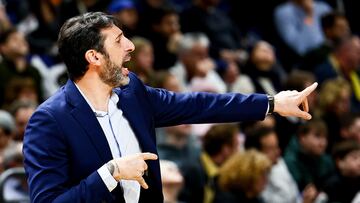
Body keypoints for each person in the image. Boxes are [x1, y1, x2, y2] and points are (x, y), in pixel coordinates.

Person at [23, 12, 318, 203]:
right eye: (118, 40)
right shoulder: (49, 121)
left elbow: (197, 105)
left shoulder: (132, 91)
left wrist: (272, 103)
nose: (131, 46)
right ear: (94, 57)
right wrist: (110, 173)